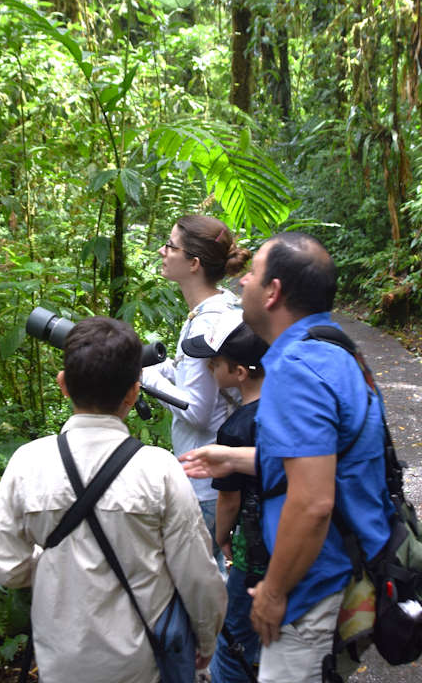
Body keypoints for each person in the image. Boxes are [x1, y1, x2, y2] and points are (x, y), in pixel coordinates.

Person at [180, 233, 392, 683]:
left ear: (273, 292)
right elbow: (323, 464)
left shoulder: (298, 369)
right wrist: (237, 460)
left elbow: (312, 501)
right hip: (345, 570)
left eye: (253, 274)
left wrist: (273, 593)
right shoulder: (334, 349)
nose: (243, 284)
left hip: (314, 586)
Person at [0, 316, 227, 683]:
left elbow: (2, 563)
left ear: (63, 385)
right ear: (134, 392)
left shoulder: (28, 463)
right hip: (143, 660)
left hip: (61, 661)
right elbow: (198, 576)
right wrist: (206, 641)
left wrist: (54, 563)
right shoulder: (159, 469)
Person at [142, 215, 252, 551]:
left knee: (202, 583)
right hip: (212, 474)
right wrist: (163, 371)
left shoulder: (207, 323)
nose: (163, 251)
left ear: (193, 263)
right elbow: (200, 386)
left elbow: (198, 409)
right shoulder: (218, 308)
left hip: (206, 481)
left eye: (171, 246)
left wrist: (143, 377)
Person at [179, 310, 270, 683]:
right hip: (290, 542)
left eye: (215, 364)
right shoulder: (288, 408)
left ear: (239, 373)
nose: (210, 370)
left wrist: (221, 537)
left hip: (254, 548)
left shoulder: (234, 429)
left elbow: (229, 500)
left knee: (233, 631)